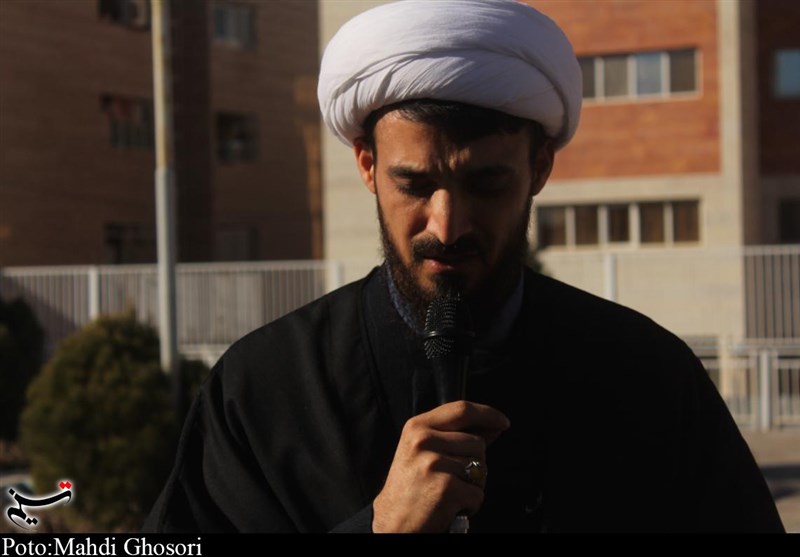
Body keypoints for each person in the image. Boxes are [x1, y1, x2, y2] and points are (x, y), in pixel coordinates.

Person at [143, 0, 784, 533]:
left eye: (486, 184)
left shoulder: (646, 378)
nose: (446, 226)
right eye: (415, 184)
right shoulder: (266, 388)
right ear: (367, 165)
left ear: (539, 169)